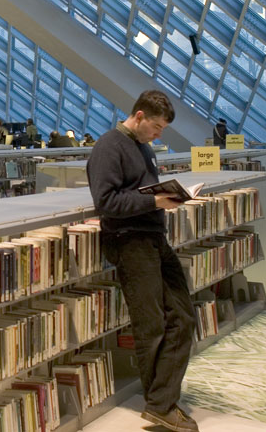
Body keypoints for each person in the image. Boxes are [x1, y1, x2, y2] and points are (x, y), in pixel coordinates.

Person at [86, 90, 197, 432]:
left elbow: (140, 192)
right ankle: (160, 406)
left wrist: (165, 198)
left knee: (184, 316)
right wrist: (156, 202)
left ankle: (162, 399)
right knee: (150, 325)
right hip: (129, 240)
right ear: (139, 116)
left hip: (153, 238)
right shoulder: (108, 146)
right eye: (157, 127)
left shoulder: (144, 147)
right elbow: (106, 202)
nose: (159, 135)